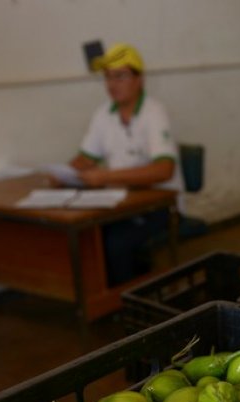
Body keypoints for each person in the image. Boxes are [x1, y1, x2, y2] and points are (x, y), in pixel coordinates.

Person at [69, 43, 183, 286]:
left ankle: (127, 304)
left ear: (139, 79)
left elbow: (164, 170)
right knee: (87, 238)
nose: (112, 84)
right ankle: (102, 301)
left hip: (158, 207)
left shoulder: (154, 112)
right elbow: (84, 160)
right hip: (118, 203)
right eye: (108, 77)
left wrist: (106, 177)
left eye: (120, 76)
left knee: (115, 243)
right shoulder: (103, 114)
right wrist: (62, 174)